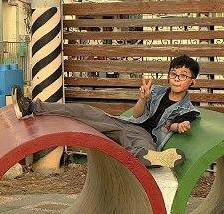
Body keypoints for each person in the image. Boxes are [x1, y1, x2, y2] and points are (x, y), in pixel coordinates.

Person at [11, 55, 200, 169]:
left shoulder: (188, 110)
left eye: (183, 75)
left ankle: (150, 157)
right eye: (173, 74)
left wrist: (180, 126)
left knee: (136, 142)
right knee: (85, 110)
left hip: (147, 136)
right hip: (127, 123)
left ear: (193, 81)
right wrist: (143, 98)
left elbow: (172, 125)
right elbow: (136, 115)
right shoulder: (157, 91)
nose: (176, 79)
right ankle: (31, 107)